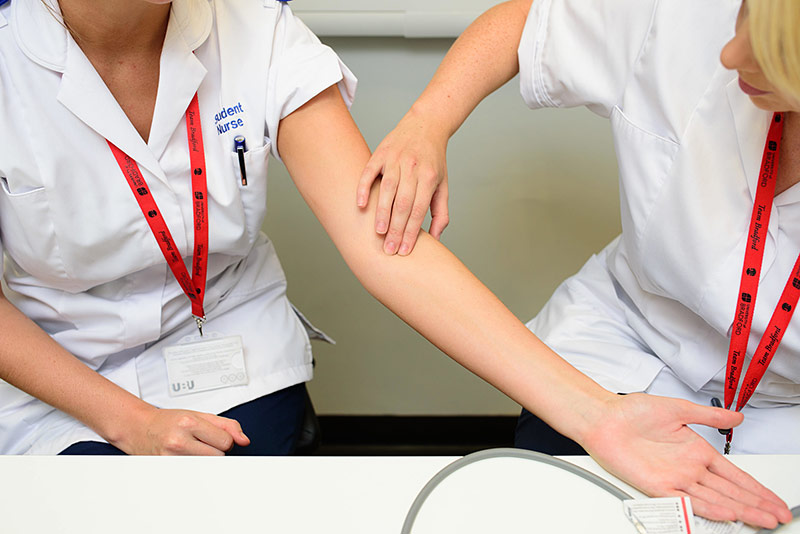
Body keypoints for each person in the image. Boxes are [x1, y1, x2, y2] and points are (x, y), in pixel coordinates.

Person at [0, 0, 789, 528]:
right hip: (60, 367)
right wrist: (124, 420)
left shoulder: (254, 28)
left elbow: (383, 243)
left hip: (230, 353)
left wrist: (595, 416)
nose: (730, 50)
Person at [360, 0, 800, 523]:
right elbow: (526, 23)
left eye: (776, 52)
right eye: (744, 15)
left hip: (783, 404)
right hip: (629, 342)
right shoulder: (681, 15)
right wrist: (426, 122)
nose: (730, 54)